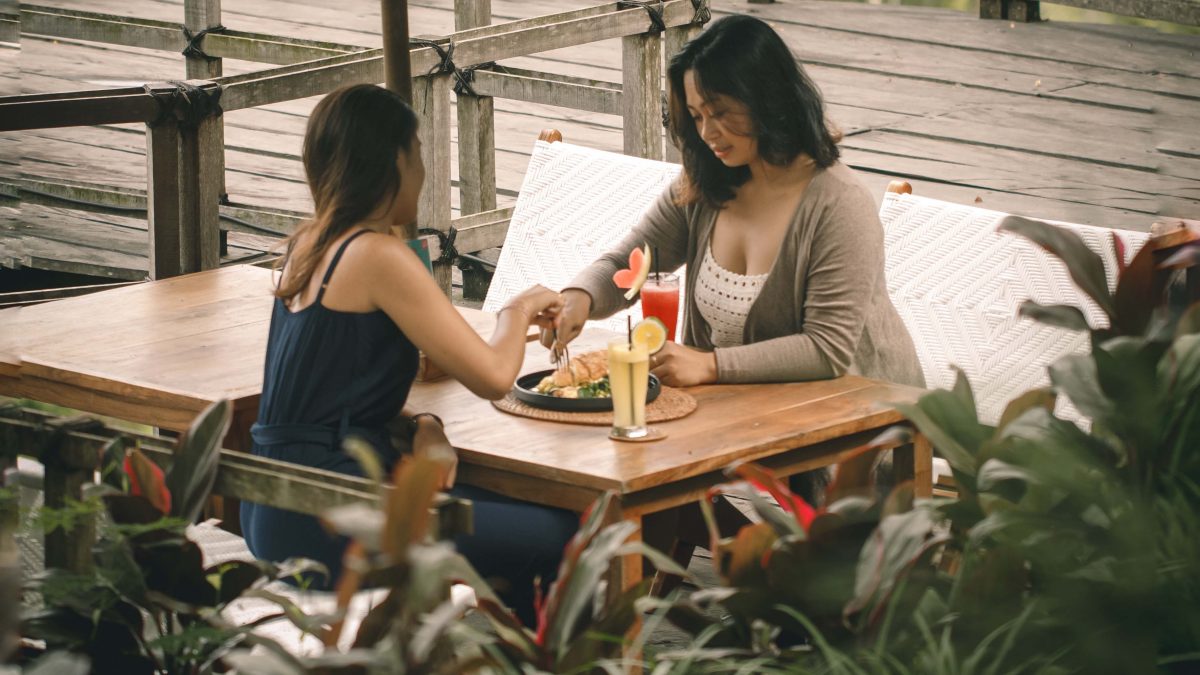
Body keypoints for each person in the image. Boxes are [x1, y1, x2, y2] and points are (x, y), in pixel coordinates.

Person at [550, 15, 925, 504]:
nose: (708, 131)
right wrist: (576, 297)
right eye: (697, 114)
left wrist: (709, 366)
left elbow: (827, 349)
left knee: (639, 476)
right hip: (744, 421)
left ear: (768, 100)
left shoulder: (839, 204)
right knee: (621, 468)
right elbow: (629, 261)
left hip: (856, 435)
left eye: (722, 112)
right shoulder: (706, 185)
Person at [241, 84, 577, 626]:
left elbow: (329, 396)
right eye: (418, 153)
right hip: (333, 513)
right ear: (391, 160)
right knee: (568, 536)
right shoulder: (378, 254)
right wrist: (515, 310)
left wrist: (422, 420)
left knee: (527, 524)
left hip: (274, 504)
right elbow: (493, 376)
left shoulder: (309, 245)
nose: (424, 171)